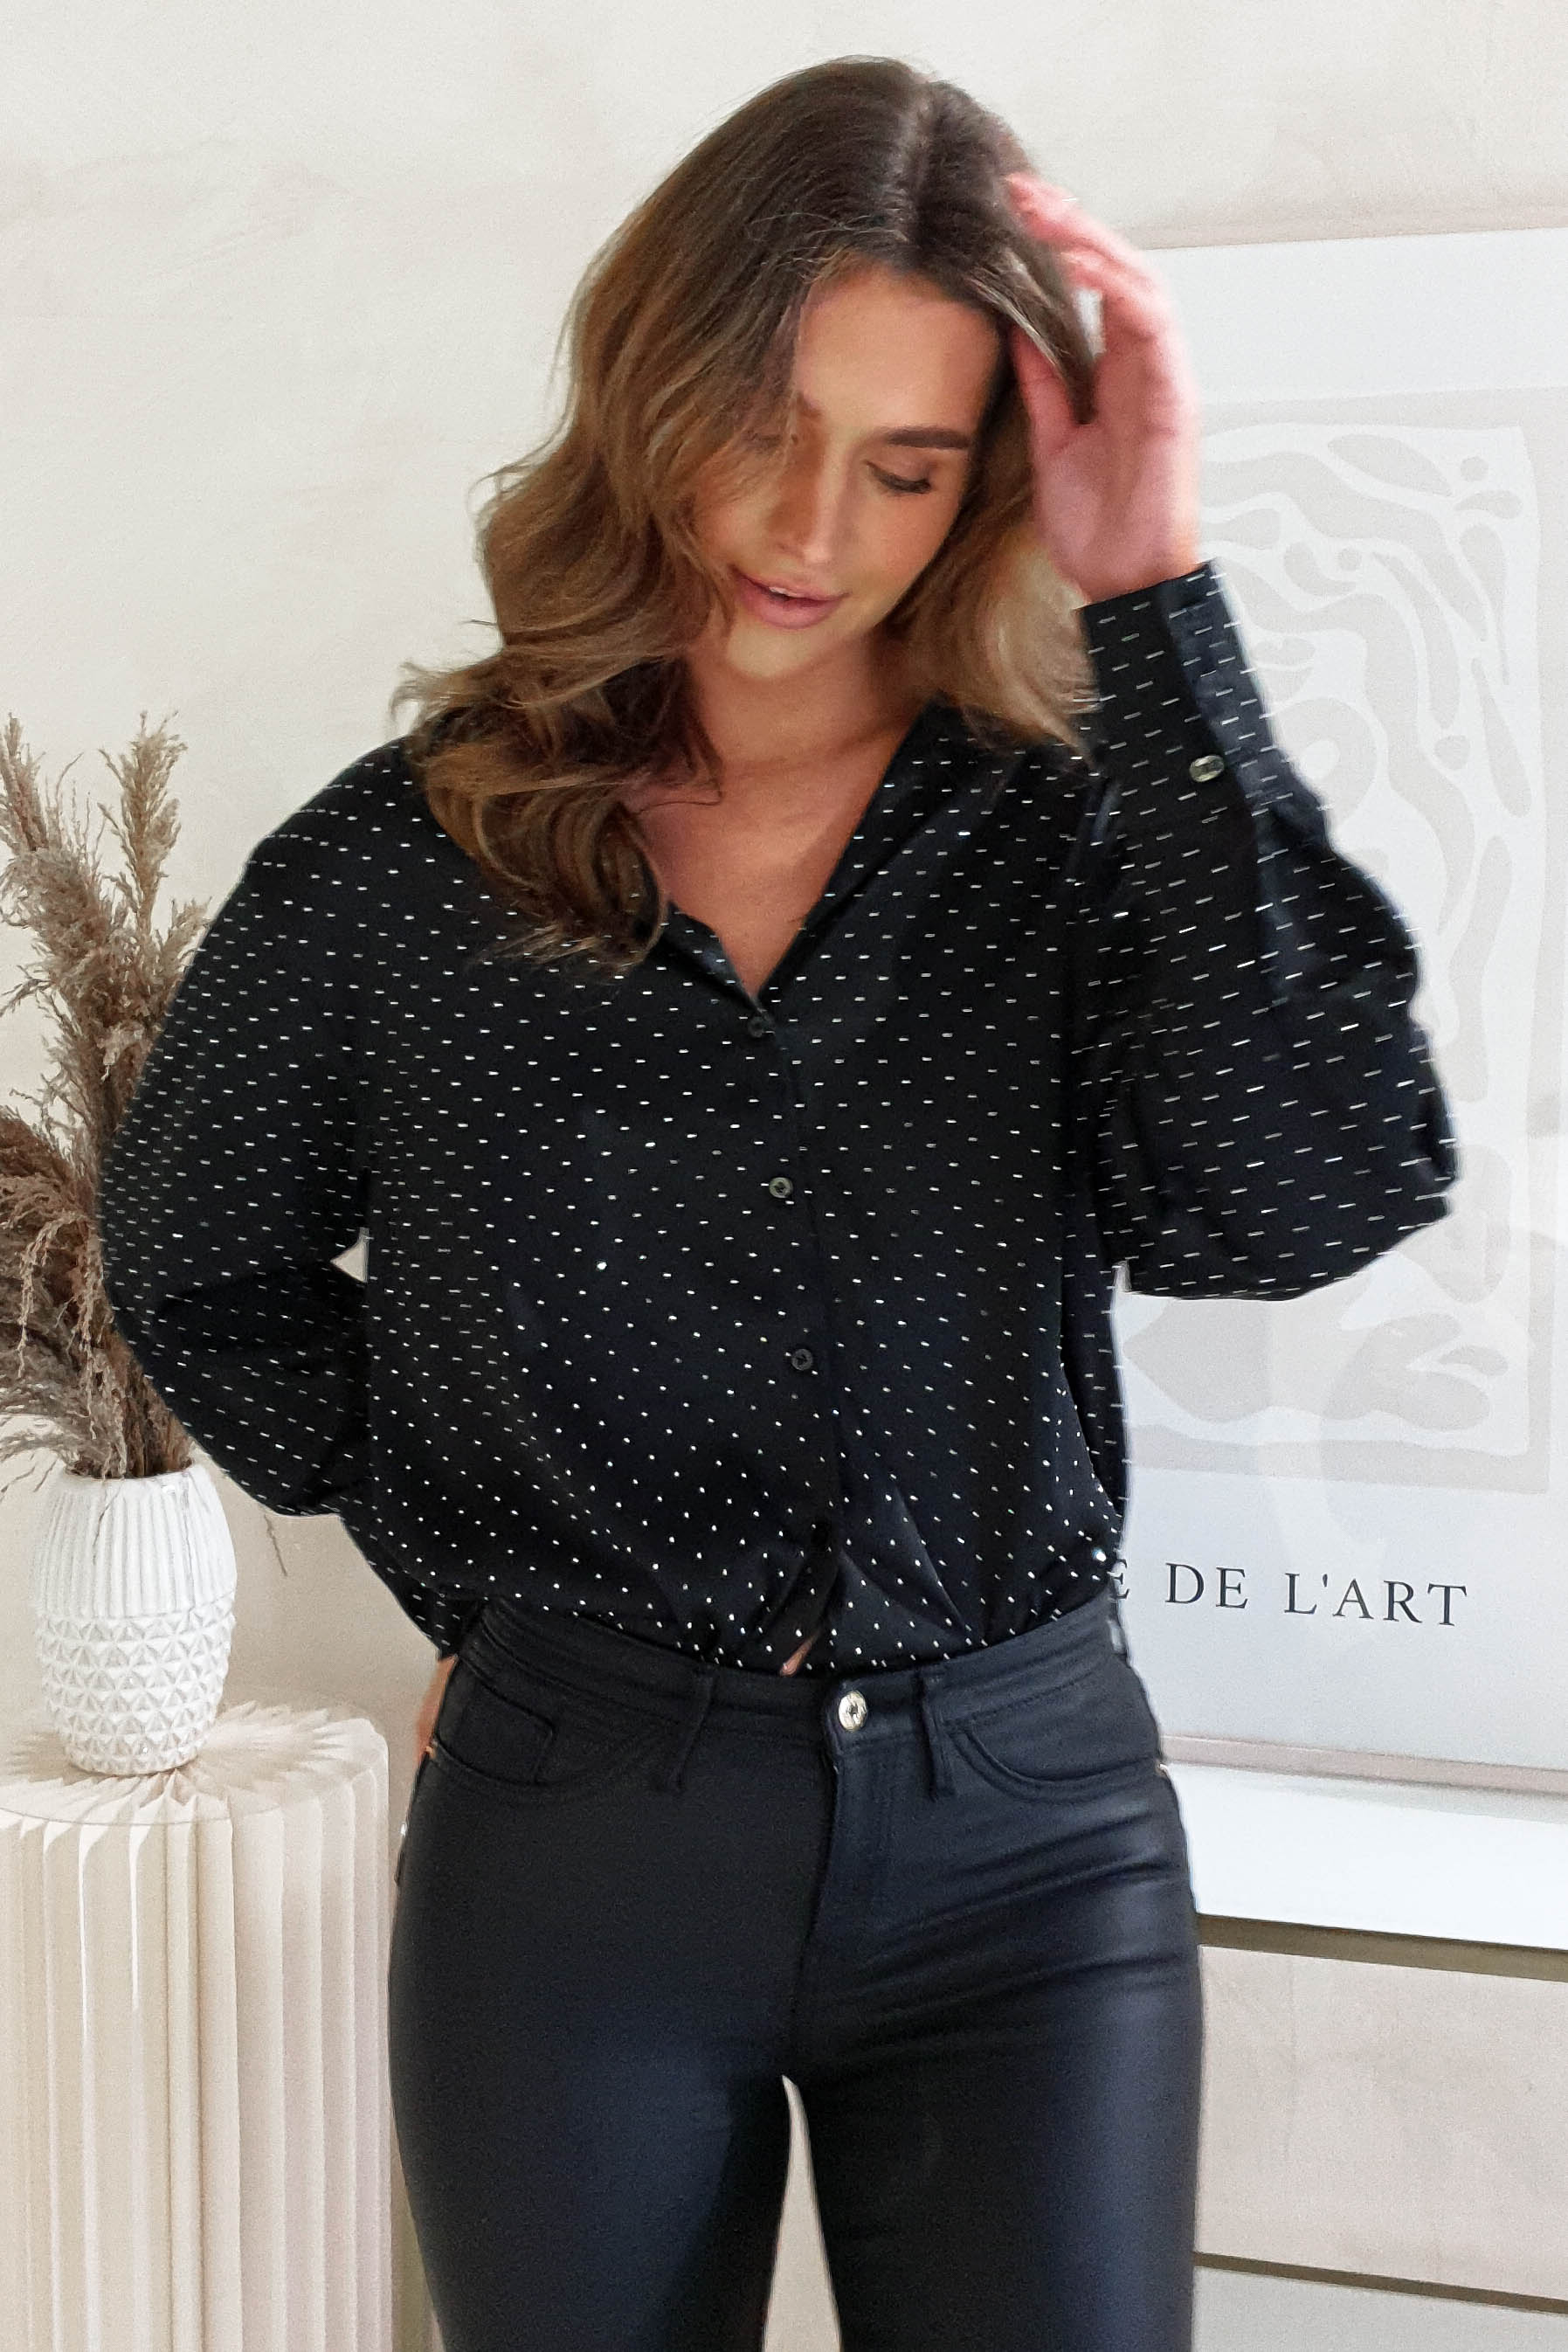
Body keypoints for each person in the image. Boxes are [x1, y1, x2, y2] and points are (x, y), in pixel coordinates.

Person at [95, 56, 1456, 2352]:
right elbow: (194, 1256)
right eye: (764, 422)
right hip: (573, 1855)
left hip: (1029, 1851)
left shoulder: (1062, 839)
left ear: (980, 486)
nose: (810, 525)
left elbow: (1310, 1180)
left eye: (905, 465)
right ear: (654, 386)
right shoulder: (406, 865)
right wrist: (475, 1579)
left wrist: (1158, 599)